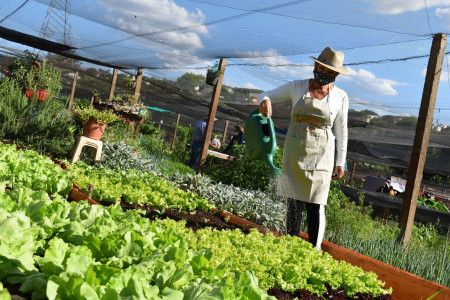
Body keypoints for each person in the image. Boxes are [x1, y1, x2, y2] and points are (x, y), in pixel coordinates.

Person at [257, 47, 349, 250]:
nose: (326, 75)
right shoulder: (296, 87)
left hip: (323, 155)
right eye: (323, 70)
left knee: (316, 204)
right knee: (293, 202)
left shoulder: (340, 97)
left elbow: (341, 131)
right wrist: (264, 102)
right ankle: (290, 247)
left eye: (332, 73)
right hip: (295, 152)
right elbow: (266, 94)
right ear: (316, 66)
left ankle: (313, 251)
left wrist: (341, 161)